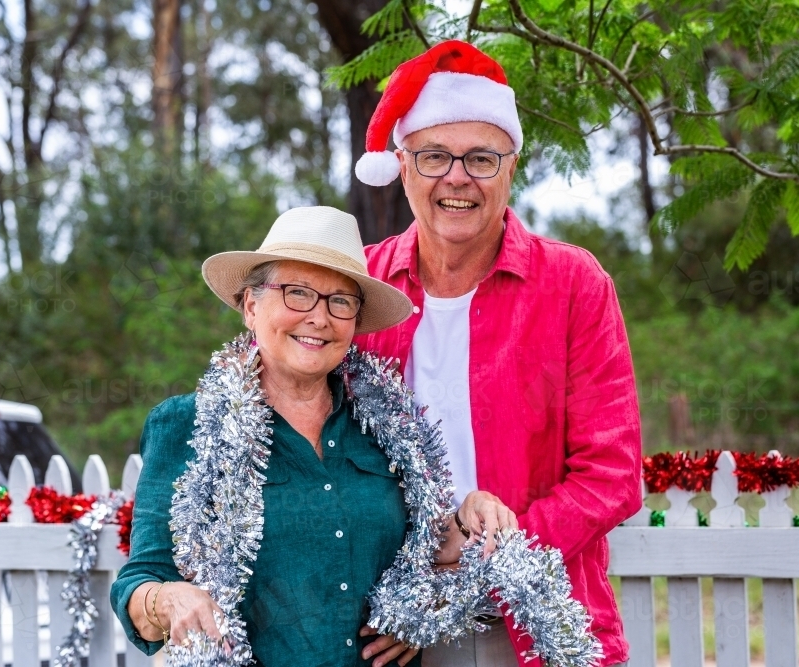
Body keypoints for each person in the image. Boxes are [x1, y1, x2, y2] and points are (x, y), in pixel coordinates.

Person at [110, 206, 518, 667]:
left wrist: (466, 523)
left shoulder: (386, 426)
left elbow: (427, 551)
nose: (319, 318)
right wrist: (169, 600)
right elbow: (140, 580)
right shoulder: (187, 424)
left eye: (339, 301)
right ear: (250, 305)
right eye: (297, 293)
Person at [352, 41, 643, 667]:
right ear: (402, 167)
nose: (457, 177)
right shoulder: (357, 289)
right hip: (391, 635)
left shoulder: (573, 284)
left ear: (511, 168)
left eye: (481, 158)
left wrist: (483, 557)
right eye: (434, 156)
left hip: (539, 626)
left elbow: (611, 476)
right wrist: (415, 592)